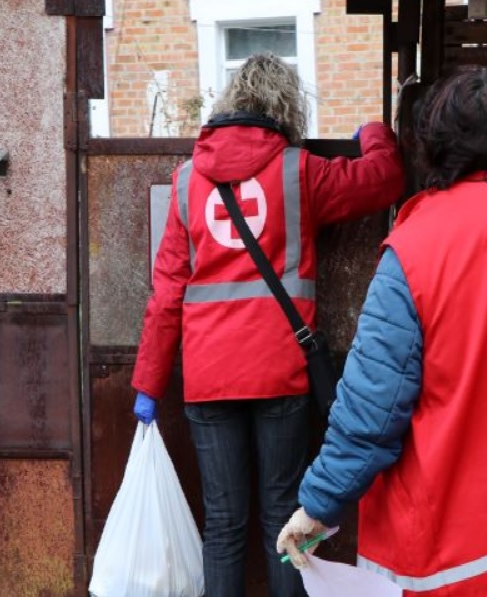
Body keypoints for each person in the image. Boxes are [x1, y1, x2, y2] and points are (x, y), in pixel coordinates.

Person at [277, 66, 487, 597]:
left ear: (434, 146)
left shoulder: (418, 247)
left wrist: (319, 505)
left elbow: (371, 409)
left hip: (461, 566)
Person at [130, 52, 403, 597]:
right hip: (281, 371)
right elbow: (385, 179)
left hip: (208, 380)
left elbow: (166, 297)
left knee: (223, 523)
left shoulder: (185, 183)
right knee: (284, 515)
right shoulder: (300, 171)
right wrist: (374, 132)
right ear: (285, 106)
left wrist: (147, 387)